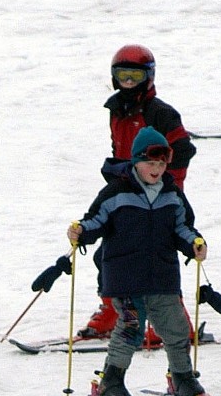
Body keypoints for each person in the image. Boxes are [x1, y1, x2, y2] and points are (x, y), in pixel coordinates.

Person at [67, 127, 210, 396]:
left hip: (163, 274)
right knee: (131, 326)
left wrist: (194, 243)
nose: (156, 169)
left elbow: (182, 227)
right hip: (126, 276)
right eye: (150, 163)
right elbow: (96, 221)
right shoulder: (116, 192)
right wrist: (81, 231)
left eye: (161, 163)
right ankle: (111, 382)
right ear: (136, 162)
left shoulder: (171, 194)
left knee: (176, 327)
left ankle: (182, 376)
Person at [79, 44, 197, 339]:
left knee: (157, 259)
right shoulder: (116, 110)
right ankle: (113, 310)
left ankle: (173, 324)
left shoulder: (160, 112)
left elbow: (182, 149)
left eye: (135, 75)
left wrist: (163, 182)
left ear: (149, 77)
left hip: (157, 198)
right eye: (123, 75)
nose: (128, 82)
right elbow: (120, 150)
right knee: (110, 253)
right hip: (126, 194)